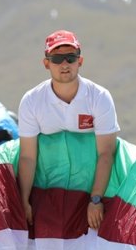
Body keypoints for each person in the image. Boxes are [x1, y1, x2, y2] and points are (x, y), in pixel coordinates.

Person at [17, 30, 120, 231]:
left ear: (79, 61)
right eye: (56, 58)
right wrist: (23, 201)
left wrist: (96, 199)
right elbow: (28, 157)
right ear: (46, 63)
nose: (64, 64)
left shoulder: (99, 97)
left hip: (93, 189)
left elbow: (106, 153)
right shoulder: (31, 101)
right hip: (50, 188)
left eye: (70, 58)